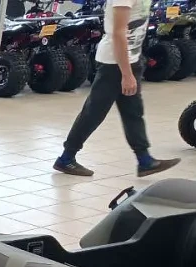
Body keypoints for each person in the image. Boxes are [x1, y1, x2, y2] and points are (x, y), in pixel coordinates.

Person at [54, 0, 180, 178]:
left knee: (133, 112)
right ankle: (66, 158)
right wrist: (126, 74)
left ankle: (144, 160)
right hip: (114, 64)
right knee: (93, 112)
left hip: (131, 60)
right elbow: (118, 33)